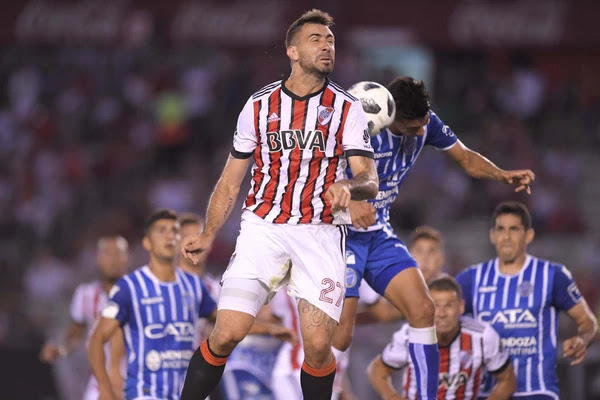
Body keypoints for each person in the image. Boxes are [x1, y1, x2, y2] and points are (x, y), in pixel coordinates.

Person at [179, 9, 378, 400]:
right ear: (291, 50)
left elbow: (369, 179)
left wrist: (350, 187)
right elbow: (230, 180)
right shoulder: (258, 106)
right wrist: (209, 233)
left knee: (320, 346)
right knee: (227, 332)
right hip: (263, 228)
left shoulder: (347, 108)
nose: (326, 47)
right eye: (316, 40)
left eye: (330, 41)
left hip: (320, 232)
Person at [334, 76, 535, 399]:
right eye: (415, 126)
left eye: (426, 120)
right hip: (339, 237)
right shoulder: (358, 130)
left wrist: (502, 174)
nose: (423, 129)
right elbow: (314, 178)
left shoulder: (427, 123)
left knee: (423, 310)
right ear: (392, 119)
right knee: (340, 337)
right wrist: (353, 201)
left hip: (377, 233)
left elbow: (466, 158)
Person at [456, 201, 598, 399]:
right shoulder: (471, 279)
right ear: (492, 236)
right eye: (501, 229)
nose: (506, 237)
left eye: (514, 229)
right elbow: (442, 320)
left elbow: (587, 321)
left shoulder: (552, 275)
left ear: (528, 235)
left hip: (537, 390)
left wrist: (582, 340)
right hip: (487, 393)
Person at [88, 209, 219, 400]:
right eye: (161, 231)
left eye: (174, 231)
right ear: (147, 243)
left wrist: (270, 329)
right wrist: (110, 381)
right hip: (145, 391)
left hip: (190, 388)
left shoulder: (198, 286)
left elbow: (227, 324)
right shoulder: (131, 286)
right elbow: (103, 336)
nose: (169, 236)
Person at [368, 276, 516, 400]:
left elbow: (507, 379)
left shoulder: (482, 336)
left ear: (461, 307)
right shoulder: (409, 336)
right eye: (435, 305)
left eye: (449, 305)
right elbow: (377, 370)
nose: (441, 313)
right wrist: (393, 397)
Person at [40, 235, 129, 400]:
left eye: (117, 253)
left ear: (126, 257)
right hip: (101, 379)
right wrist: (61, 349)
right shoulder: (86, 294)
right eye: (107, 253)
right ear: (98, 258)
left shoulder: (142, 292)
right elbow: (76, 333)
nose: (112, 259)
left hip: (137, 380)